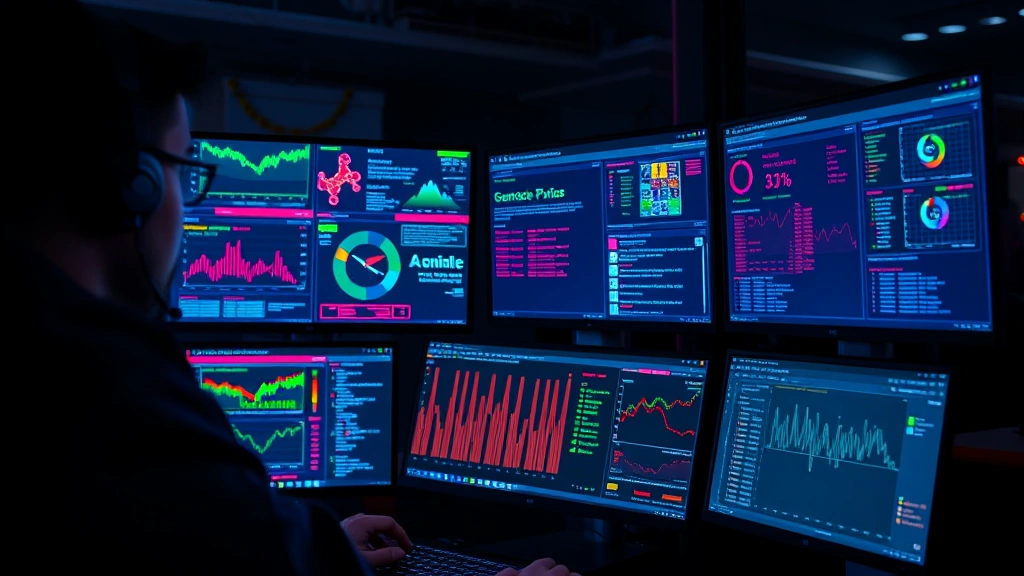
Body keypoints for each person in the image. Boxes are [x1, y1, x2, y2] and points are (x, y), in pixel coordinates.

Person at [14, 2, 577, 575]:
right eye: (184, 170)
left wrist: (321, 545)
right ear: (131, 187)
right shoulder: (118, 401)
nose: (187, 206)